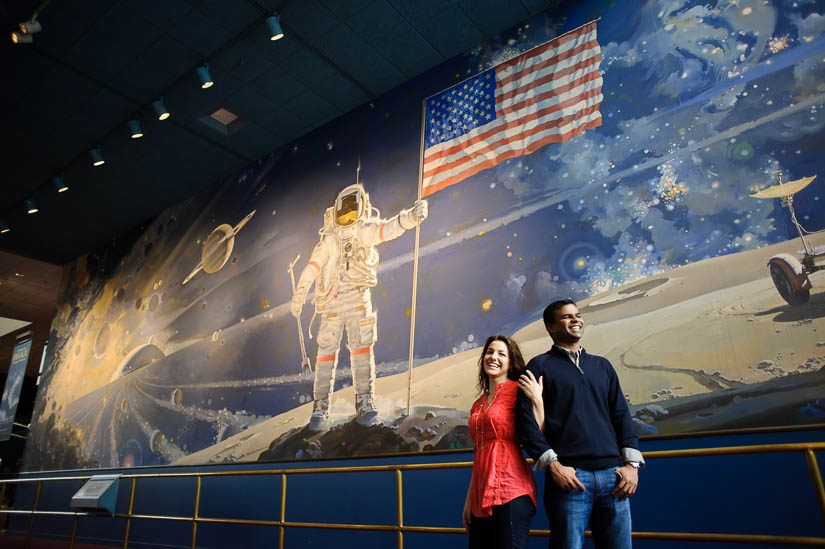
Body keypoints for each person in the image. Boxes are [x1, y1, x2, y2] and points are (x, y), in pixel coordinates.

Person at [290, 181, 428, 431]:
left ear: (362, 208)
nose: (349, 215)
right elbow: (313, 267)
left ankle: (365, 402)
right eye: (345, 211)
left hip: (357, 298)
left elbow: (388, 229)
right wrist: (300, 295)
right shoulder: (329, 242)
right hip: (332, 302)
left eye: (353, 210)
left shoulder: (364, 231)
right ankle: (320, 407)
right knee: (325, 357)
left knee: (361, 352)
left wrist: (411, 218)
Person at [516, 299, 644, 549]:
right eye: (566, 317)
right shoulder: (539, 366)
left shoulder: (602, 366)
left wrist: (632, 466)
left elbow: (621, 415)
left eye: (578, 315)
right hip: (570, 481)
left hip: (614, 479)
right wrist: (553, 466)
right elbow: (525, 421)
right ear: (550, 327)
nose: (575, 320)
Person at [463, 335, 544, 549]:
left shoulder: (519, 391)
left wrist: (537, 400)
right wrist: (469, 499)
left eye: (501, 353)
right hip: (481, 495)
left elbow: (540, 434)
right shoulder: (478, 404)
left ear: (511, 362)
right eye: (489, 352)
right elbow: (479, 453)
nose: (494, 357)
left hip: (512, 490)